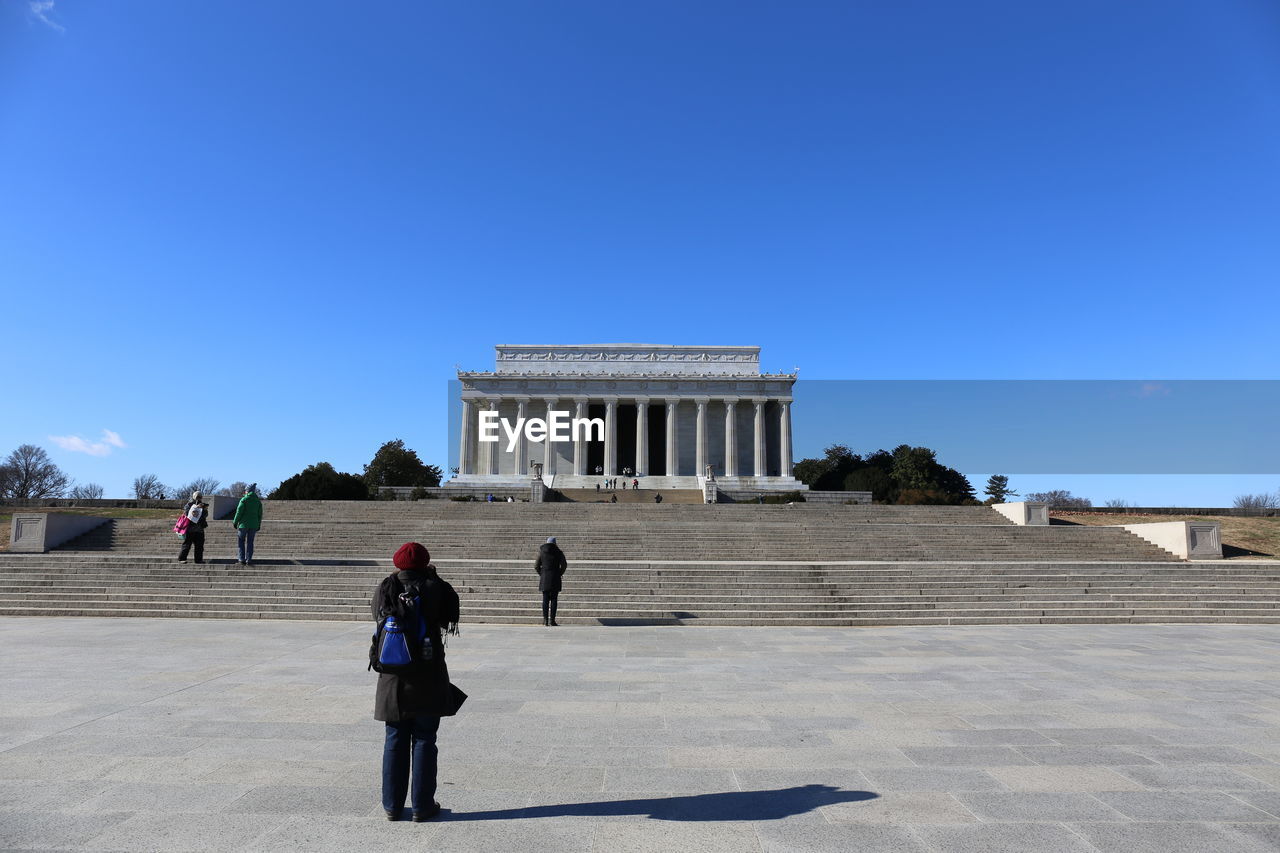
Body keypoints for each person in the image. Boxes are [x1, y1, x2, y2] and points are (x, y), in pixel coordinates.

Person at [373, 542, 461, 822]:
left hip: (393, 677)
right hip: (427, 673)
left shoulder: (385, 587)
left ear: (397, 562)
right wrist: (433, 580)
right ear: (426, 562)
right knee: (424, 738)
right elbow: (450, 615)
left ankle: (391, 805)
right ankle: (422, 805)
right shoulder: (436, 587)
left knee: (394, 738)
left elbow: (375, 616)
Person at [535, 536, 566, 626]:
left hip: (545, 578)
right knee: (554, 599)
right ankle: (552, 620)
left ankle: (545, 620)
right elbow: (564, 565)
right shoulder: (559, 552)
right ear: (555, 543)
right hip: (555, 577)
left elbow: (536, 566)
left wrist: (542, 573)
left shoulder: (542, 552)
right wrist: (559, 573)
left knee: (545, 599)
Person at [232, 484, 263, 565]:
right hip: (254, 525)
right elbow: (260, 515)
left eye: (245, 490)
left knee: (241, 541)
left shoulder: (244, 500)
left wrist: (235, 522)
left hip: (243, 525)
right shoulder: (258, 501)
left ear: (247, 491)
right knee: (250, 542)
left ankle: (241, 559)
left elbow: (239, 512)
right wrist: (258, 524)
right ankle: (248, 559)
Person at [178, 491, 209, 563]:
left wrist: (204, 509)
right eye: (198, 497)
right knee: (187, 545)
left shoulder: (203, 505)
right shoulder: (189, 504)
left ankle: (198, 559)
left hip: (199, 528)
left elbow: (205, 515)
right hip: (190, 528)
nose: (199, 498)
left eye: (200, 497)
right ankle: (182, 558)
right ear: (194, 497)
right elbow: (187, 514)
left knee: (199, 546)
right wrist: (196, 507)